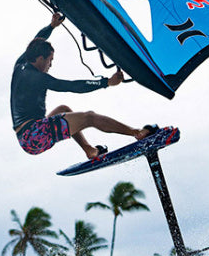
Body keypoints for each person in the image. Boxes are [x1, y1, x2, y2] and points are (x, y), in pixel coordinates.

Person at [11, 12, 156, 160]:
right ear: (40, 58)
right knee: (89, 117)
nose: (50, 65)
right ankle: (136, 132)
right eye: (50, 60)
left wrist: (51, 26)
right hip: (35, 135)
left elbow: (37, 40)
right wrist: (106, 82)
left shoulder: (21, 64)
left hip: (27, 137)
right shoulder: (37, 78)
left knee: (64, 110)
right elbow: (72, 86)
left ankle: (89, 150)